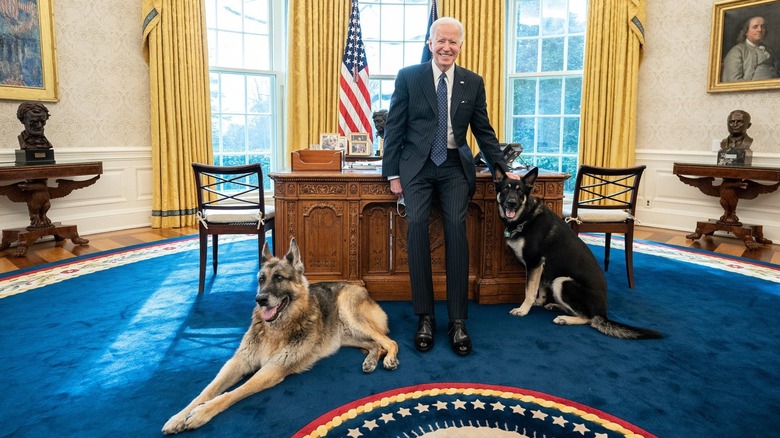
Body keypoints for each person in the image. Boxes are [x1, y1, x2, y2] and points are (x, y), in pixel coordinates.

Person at [381, 16, 516, 356]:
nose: (446, 47)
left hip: (455, 166)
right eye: (441, 40)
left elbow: (483, 131)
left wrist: (502, 167)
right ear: (430, 42)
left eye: (453, 42)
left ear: (460, 46)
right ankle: (425, 317)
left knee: (457, 227)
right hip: (417, 167)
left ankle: (458, 321)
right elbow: (394, 128)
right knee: (415, 226)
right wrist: (392, 174)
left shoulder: (473, 82)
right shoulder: (409, 77)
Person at [722, 15, 780, 82]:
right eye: (755, 27)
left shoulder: (769, 50)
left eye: (763, 26)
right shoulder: (736, 51)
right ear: (746, 31)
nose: (760, 30)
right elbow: (733, 81)